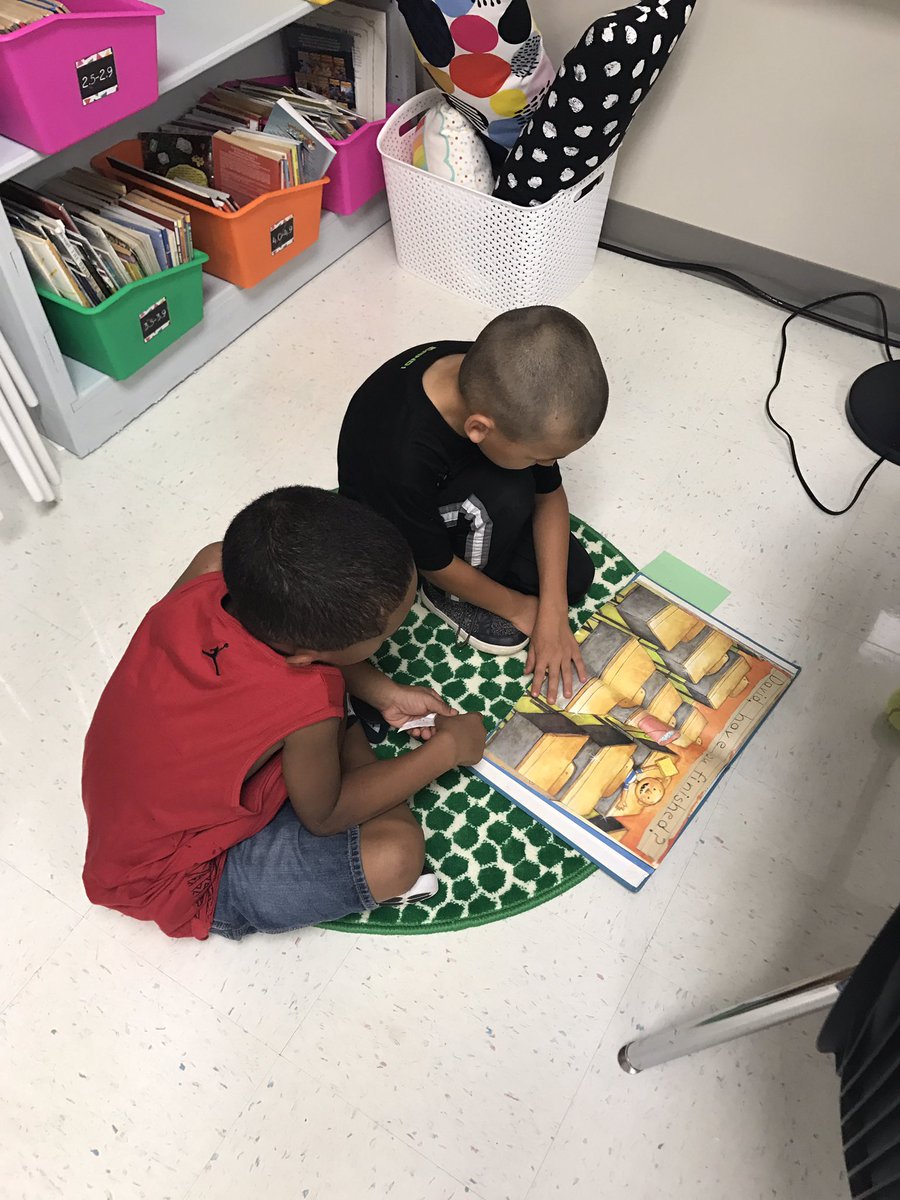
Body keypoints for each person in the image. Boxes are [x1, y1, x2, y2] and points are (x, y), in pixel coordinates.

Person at [81, 487, 486, 941]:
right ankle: (347, 741)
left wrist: (384, 691)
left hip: (128, 807)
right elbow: (327, 815)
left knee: (326, 722)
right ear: (308, 655)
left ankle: (344, 730)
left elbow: (272, 656)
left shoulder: (212, 565)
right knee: (397, 855)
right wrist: (448, 750)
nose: (401, 627)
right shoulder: (308, 698)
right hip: (178, 877)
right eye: (387, 633)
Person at [337, 305, 609, 702]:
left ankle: (497, 567)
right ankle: (449, 598)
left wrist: (551, 610)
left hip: (451, 484)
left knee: (572, 579)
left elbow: (549, 493)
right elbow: (435, 562)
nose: (547, 466)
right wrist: (519, 608)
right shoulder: (398, 453)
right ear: (479, 429)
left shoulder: (500, 380)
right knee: (511, 496)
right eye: (539, 457)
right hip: (393, 528)